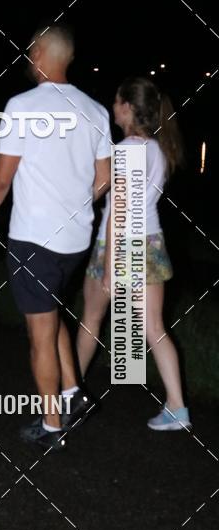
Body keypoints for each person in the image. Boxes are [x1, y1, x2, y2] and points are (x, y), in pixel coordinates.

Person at [0, 24, 111, 450]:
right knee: (51, 313)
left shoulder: (22, 106)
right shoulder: (95, 111)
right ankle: (72, 394)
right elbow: (103, 181)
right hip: (75, 240)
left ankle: (51, 426)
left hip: (34, 240)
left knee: (39, 335)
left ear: (43, 53)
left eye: (31, 51)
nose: (29, 57)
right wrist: (73, 195)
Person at [77, 76, 190, 431]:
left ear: (128, 107)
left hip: (121, 244)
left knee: (91, 320)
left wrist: (110, 267)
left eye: (115, 102)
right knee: (154, 328)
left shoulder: (127, 149)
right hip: (150, 242)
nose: (112, 108)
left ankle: (67, 395)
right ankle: (177, 408)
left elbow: (119, 213)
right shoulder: (157, 149)